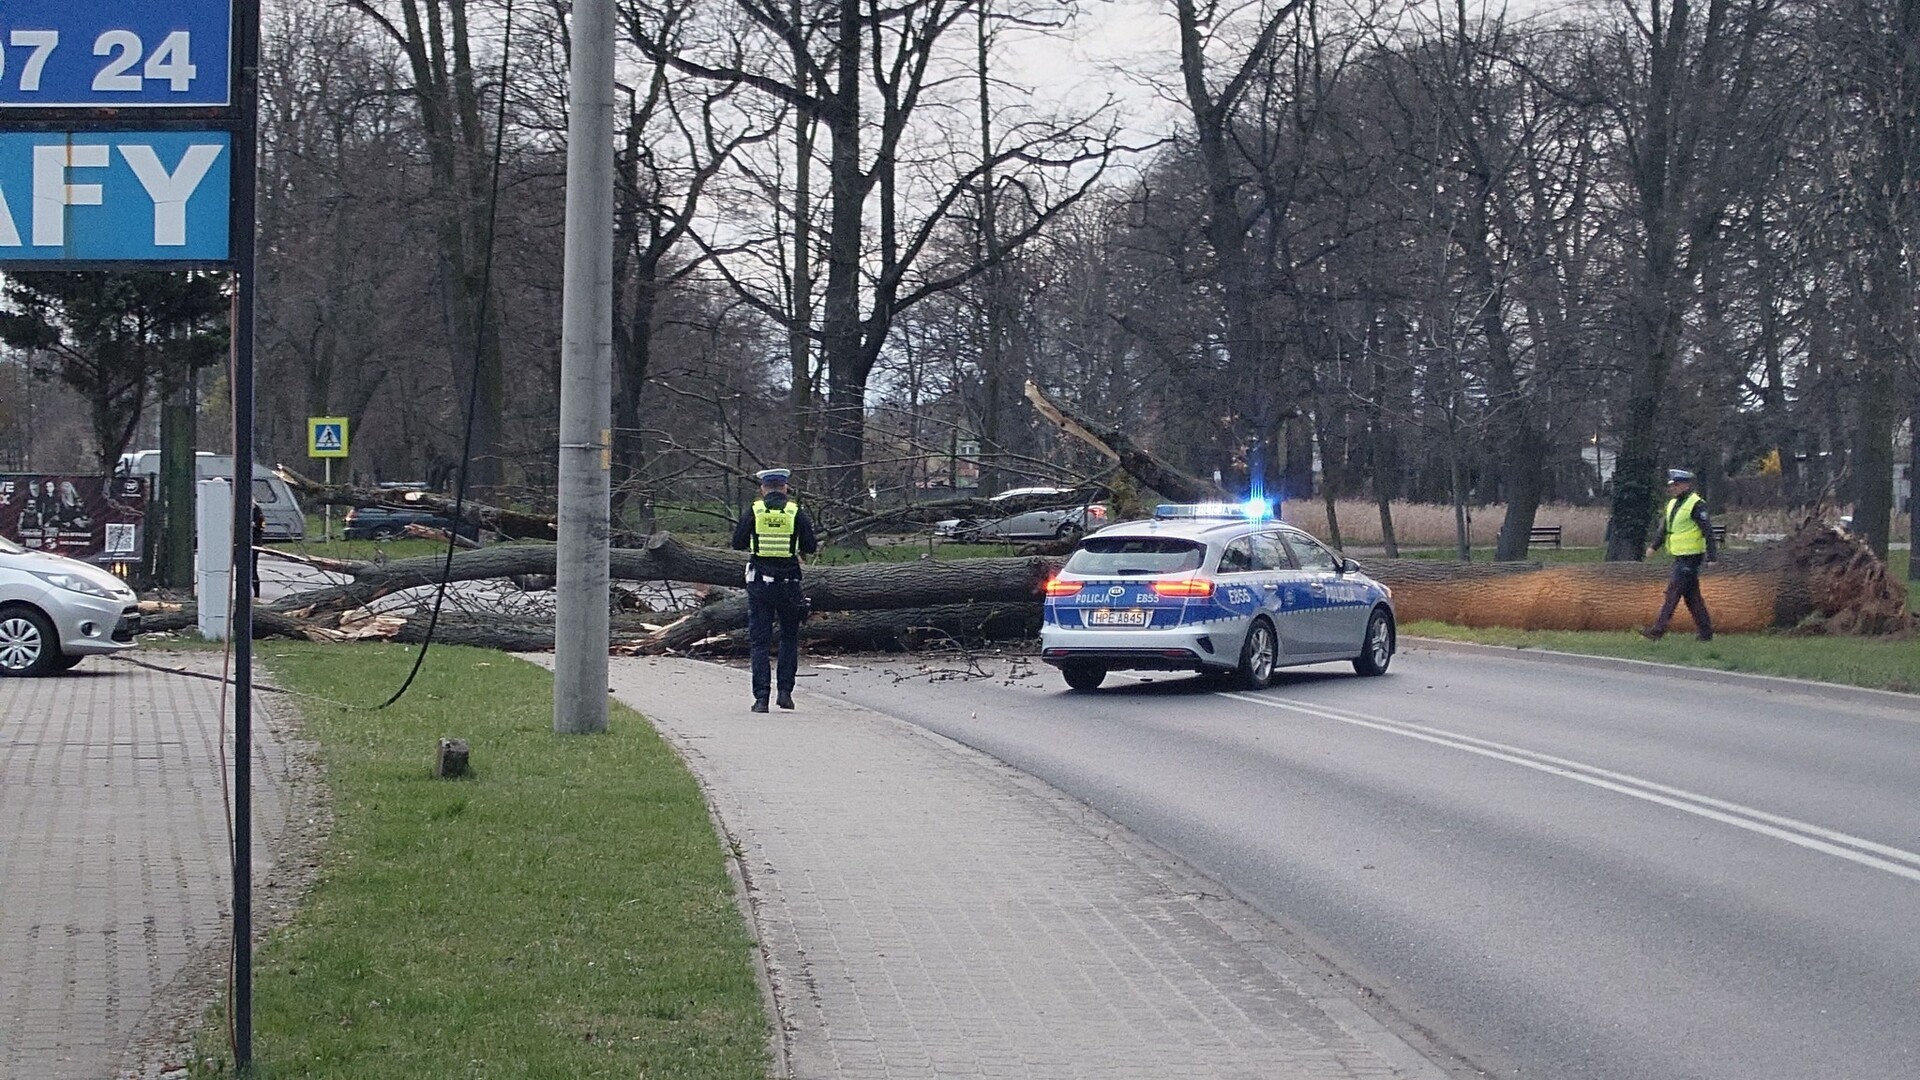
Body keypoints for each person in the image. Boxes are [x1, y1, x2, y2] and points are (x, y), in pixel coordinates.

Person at [730, 467, 818, 712]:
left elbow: (737, 543)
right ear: (785, 488)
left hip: (760, 584)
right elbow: (810, 546)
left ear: (763, 489)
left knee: (760, 642)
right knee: (789, 638)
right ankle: (785, 694)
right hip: (789, 584)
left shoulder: (755, 511)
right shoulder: (795, 512)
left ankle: (761, 699)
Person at [1642, 468, 1717, 641]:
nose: (1672, 488)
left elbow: (1708, 531)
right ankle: (1706, 633)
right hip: (1679, 556)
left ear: (1686, 485)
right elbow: (1665, 529)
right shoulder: (1672, 504)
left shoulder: (1696, 504)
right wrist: (1654, 547)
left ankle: (1658, 630)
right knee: (1692, 597)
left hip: (1691, 556)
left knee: (1673, 592)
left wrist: (1712, 556)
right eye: (1671, 485)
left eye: (1676, 485)